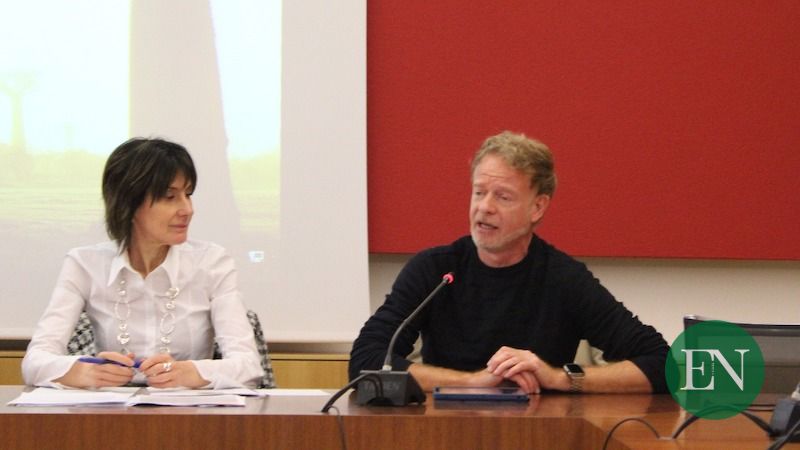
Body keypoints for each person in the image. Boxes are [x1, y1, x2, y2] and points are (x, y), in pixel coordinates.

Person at [349, 131, 668, 394]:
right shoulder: (435, 271)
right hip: (443, 433)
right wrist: (472, 383)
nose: (484, 207)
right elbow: (366, 361)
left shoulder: (564, 279)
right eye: (479, 193)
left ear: (537, 207)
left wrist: (557, 378)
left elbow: (662, 364)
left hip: (536, 436)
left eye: (502, 197)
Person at [22, 138, 264, 389]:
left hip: (189, 410)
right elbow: (34, 362)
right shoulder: (84, 264)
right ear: (128, 202)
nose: (187, 209)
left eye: (188, 194)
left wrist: (193, 372)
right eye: (170, 197)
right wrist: (82, 372)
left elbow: (249, 366)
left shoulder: (211, 262)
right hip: (109, 409)